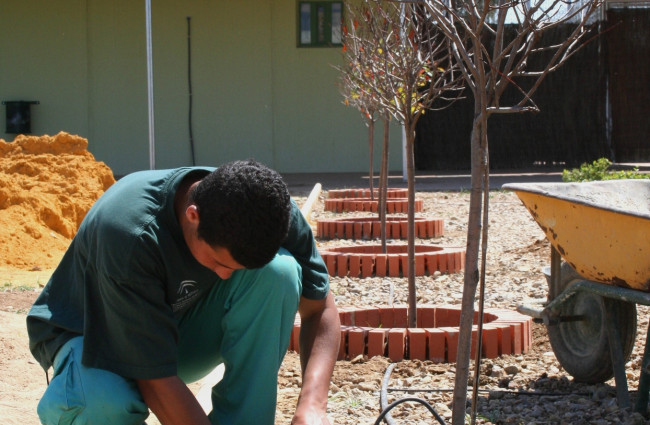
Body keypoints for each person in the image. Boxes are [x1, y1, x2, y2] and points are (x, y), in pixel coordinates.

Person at [26, 159, 340, 425]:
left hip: (176, 332)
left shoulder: (269, 209)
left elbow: (320, 309)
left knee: (278, 274)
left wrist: (313, 405)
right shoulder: (130, 233)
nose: (224, 276)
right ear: (193, 216)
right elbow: (155, 378)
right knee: (101, 402)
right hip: (94, 337)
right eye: (218, 262)